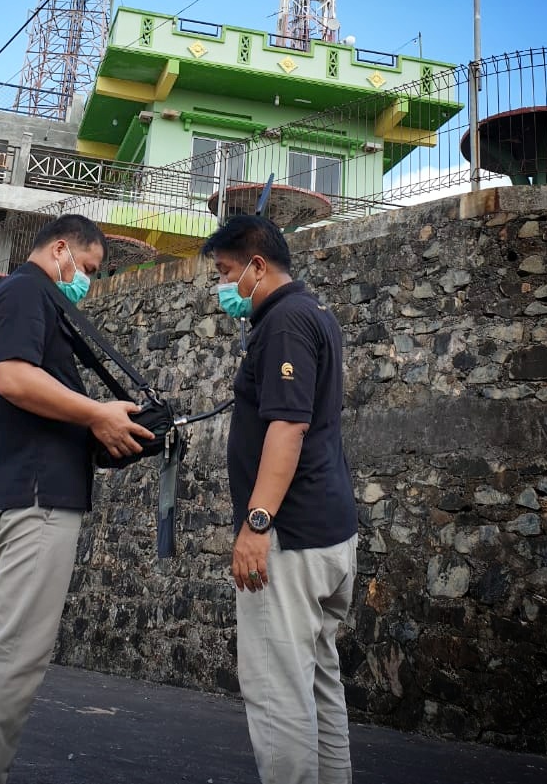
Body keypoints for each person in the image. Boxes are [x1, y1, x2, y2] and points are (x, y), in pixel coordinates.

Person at [0, 213, 154, 784]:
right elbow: (13, 377)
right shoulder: (27, 291)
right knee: (15, 656)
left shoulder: (28, 297)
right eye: (86, 267)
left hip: (25, 489)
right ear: (60, 249)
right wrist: (97, 413)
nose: (86, 279)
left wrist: (97, 425)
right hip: (36, 496)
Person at [202, 214, 359, 784]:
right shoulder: (312, 312)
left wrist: (256, 523)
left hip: (290, 540)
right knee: (318, 684)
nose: (222, 285)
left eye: (224, 272)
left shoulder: (286, 323)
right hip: (329, 533)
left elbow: (288, 428)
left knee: (277, 694)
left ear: (257, 266)